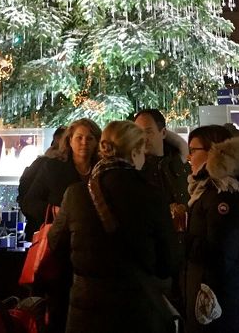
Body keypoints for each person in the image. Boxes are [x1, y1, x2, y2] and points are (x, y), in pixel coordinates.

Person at [48, 120, 178, 333]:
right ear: (135, 152)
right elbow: (168, 263)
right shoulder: (151, 196)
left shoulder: (76, 194)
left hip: (85, 311)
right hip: (136, 310)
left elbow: (55, 243)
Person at [184, 128, 239, 332]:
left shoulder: (224, 193)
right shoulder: (207, 191)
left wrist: (182, 240)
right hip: (220, 300)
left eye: (193, 150)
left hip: (224, 305)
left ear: (213, 151)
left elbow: (221, 255)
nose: (188, 157)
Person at [19, 119, 100, 227]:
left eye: (89, 138)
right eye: (79, 138)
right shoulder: (53, 168)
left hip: (93, 236)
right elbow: (29, 203)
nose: (84, 142)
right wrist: (54, 211)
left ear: (96, 142)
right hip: (60, 234)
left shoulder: (101, 170)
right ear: (70, 140)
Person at [134, 109, 189, 209]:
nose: (143, 138)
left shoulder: (180, 164)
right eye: (138, 132)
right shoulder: (133, 170)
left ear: (163, 133)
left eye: (148, 132)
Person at [18, 126, 66, 238]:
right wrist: (53, 211)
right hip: (43, 228)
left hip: (36, 227)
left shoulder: (38, 163)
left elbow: (23, 194)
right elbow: (27, 201)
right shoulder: (49, 166)